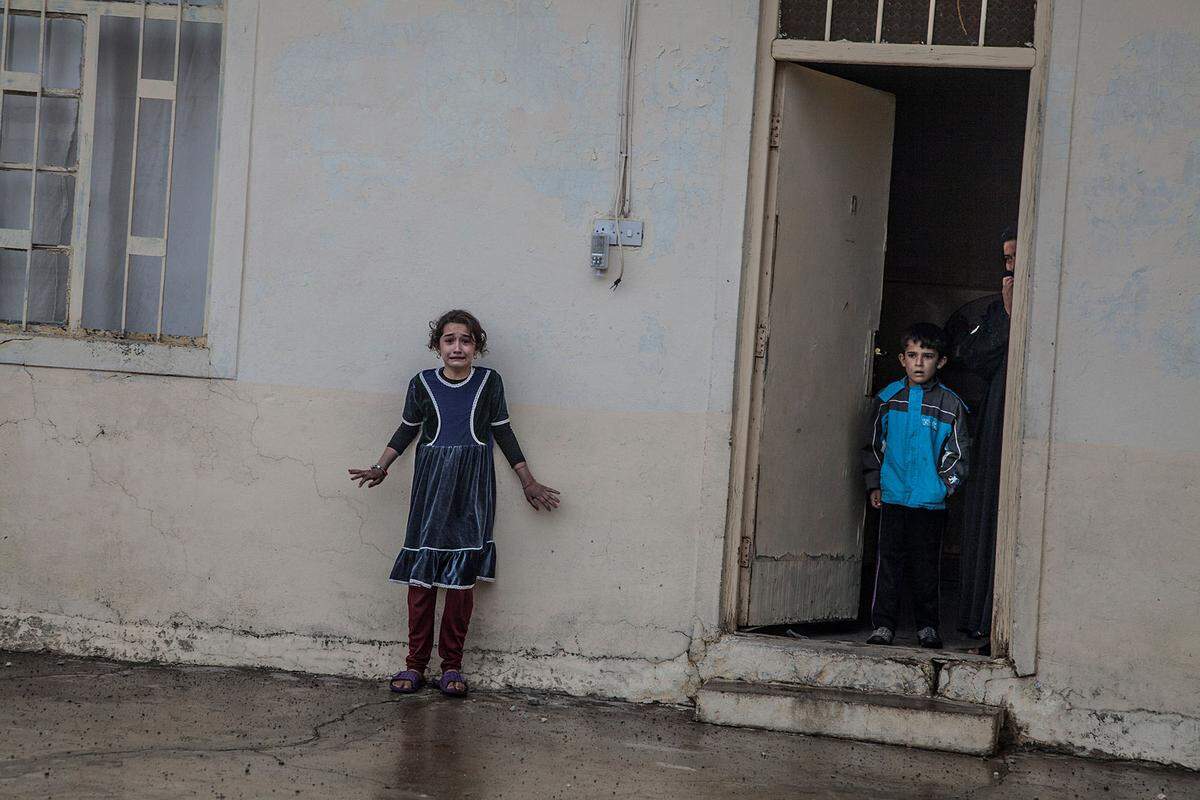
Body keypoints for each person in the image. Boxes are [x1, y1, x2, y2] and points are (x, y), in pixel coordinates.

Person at [348, 310, 560, 697]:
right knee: (422, 578)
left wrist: (527, 480)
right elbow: (408, 428)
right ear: (437, 346)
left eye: (465, 340)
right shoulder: (423, 384)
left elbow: (502, 431)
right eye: (449, 340)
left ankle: (451, 667)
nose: (457, 347)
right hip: (430, 489)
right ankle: (414, 665)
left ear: (476, 345)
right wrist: (381, 466)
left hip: (471, 489)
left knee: (461, 583)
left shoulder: (488, 382)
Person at [862, 323, 970, 649]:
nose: (919, 363)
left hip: (930, 503)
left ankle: (927, 627)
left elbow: (959, 453)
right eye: (912, 355)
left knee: (926, 566)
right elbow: (872, 446)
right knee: (889, 563)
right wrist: (874, 485)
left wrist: (944, 487)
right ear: (901, 359)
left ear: (941, 362)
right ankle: (883, 626)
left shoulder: (951, 405)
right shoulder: (887, 399)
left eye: (927, 356)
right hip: (893, 497)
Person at [953, 228, 1015, 653]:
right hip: (996, 418)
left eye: (1015, 257)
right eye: (1005, 258)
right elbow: (971, 357)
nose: (1008, 267)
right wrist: (1009, 314)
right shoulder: (997, 310)